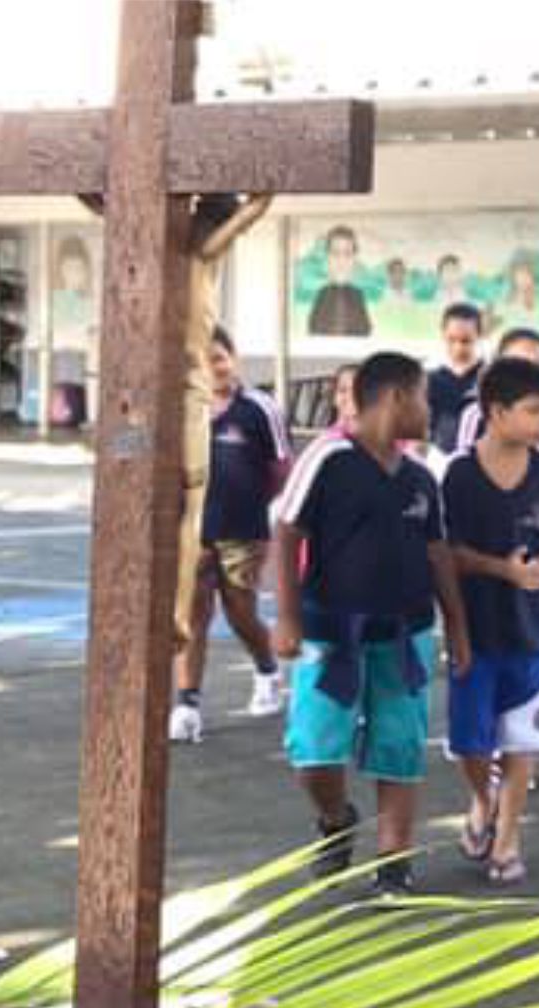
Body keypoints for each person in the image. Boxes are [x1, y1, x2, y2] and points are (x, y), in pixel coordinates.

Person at [270, 355, 470, 897]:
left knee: (400, 746)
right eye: (424, 397)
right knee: (314, 748)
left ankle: (393, 861)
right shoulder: (329, 458)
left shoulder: (422, 478)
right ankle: (335, 818)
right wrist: (287, 617)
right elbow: (287, 535)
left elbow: (438, 554)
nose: (431, 410)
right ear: (397, 399)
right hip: (331, 631)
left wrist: (457, 629)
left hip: (405, 632)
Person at [440, 358, 539, 884]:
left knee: (523, 743)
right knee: (472, 743)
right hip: (475, 630)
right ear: (495, 412)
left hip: (535, 628)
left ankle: (507, 838)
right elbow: (446, 551)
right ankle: (484, 798)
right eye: (534, 410)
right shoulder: (457, 473)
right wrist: (500, 569)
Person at [170, 327, 293, 744]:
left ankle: (267, 669)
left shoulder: (260, 408)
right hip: (194, 530)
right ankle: (187, 704)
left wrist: (253, 504)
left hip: (244, 530)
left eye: (220, 358)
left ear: (234, 358)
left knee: (240, 610)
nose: (215, 368)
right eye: (206, 361)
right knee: (193, 614)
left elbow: (280, 470)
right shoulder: (185, 409)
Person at [444, 327, 539, 456]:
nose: (528, 375)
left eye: (537, 366)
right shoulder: (477, 414)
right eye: (517, 365)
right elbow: (465, 464)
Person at [423, 302, 488, 458]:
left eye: (466, 341)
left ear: (479, 335)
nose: (458, 348)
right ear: (443, 335)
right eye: (451, 340)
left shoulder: (490, 377)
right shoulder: (429, 379)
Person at [310, 225, 373, 337]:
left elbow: (366, 331)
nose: (341, 260)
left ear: (354, 258)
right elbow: (313, 330)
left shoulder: (358, 295)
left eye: (347, 253)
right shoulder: (322, 294)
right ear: (328, 257)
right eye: (335, 253)